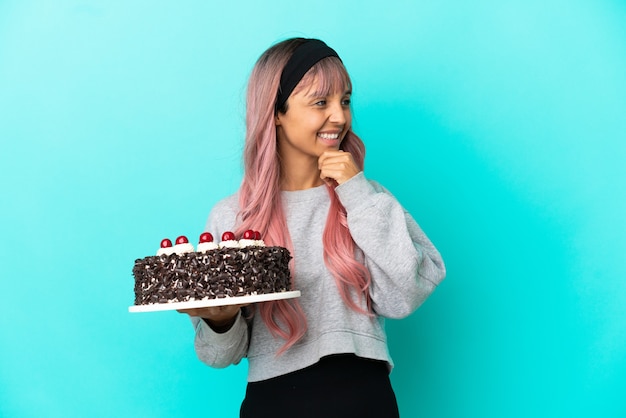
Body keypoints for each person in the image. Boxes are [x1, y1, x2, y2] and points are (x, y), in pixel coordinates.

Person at [178, 37, 446, 418]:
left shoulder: (368, 200)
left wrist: (357, 192)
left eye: (346, 101)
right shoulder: (233, 216)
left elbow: (407, 292)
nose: (339, 116)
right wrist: (220, 322)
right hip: (274, 404)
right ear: (276, 112)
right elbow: (219, 356)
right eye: (321, 102)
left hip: (365, 400)